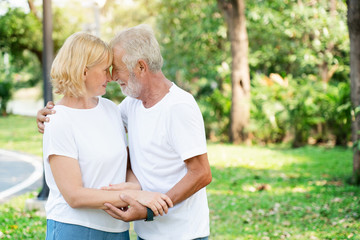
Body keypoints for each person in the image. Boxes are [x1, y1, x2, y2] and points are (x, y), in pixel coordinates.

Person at [37, 25, 212, 240]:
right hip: (135, 231)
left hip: (180, 232)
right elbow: (90, 129)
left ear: (140, 67)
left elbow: (201, 173)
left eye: (115, 68)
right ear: (83, 71)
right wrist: (48, 116)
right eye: (106, 69)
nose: (111, 76)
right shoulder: (128, 106)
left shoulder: (176, 106)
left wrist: (146, 203)